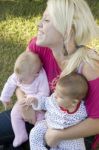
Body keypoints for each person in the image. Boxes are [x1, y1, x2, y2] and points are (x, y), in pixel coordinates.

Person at [0, 0, 99, 150]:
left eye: (46, 20)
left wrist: (58, 135)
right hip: (41, 112)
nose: (38, 24)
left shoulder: (90, 67)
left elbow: (96, 121)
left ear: (67, 30)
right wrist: (25, 104)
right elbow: (20, 81)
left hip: (73, 130)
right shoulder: (37, 48)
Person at [0, 51, 49, 148]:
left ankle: (37, 137)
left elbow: (44, 93)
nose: (19, 81)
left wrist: (35, 99)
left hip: (38, 105)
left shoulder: (41, 77)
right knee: (14, 114)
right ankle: (20, 134)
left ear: (36, 74)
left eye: (22, 80)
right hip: (24, 100)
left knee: (41, 120)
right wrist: (5, 97)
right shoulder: (20, 74)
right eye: (18, 78)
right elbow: (10, 83)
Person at [29, 72, 88, 150]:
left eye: (60, 96)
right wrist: (36, 101)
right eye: (55, 91)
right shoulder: (54, 99)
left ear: (74, 102)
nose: (55, 95)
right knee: (35, 133)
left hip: (70, 137)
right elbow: (45, 102)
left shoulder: (82, 110)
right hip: (49, 124)